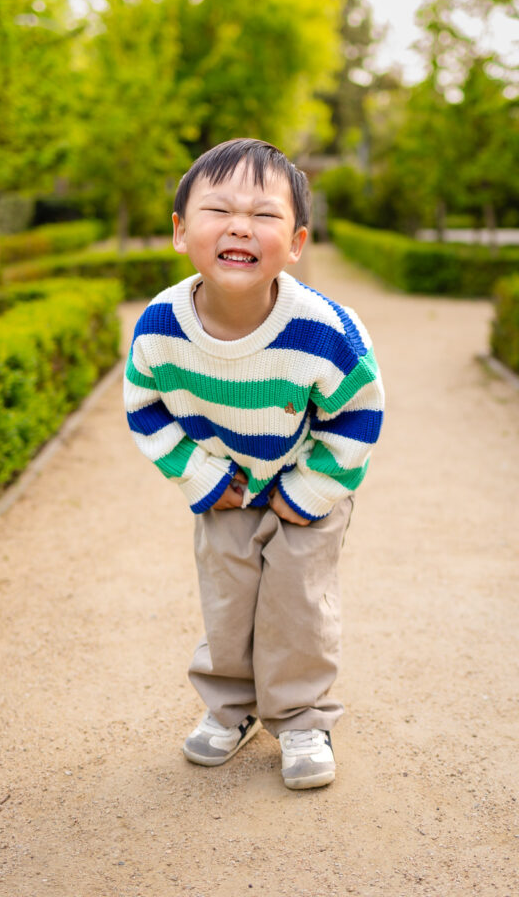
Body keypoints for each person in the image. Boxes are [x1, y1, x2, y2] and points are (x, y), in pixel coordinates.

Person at [124, 138, 384, 789]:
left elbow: (358, 413)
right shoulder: (159, 328)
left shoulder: (324, 329)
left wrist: (310, 490)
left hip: (307, 479)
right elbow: (144, 409)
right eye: (218, 210)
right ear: (180, 231)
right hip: (225, 482)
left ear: (295, 243)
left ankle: (300, 718)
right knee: (227, 599)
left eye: (264, 215)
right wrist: (200, 477)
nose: (240, 226)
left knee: (296, 603)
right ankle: (230, 707)